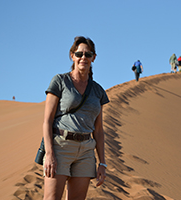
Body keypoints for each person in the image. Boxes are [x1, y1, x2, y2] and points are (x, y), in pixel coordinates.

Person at [43, 36, 109, 200]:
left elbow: (99, 130)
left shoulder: (98, 91)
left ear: (94, 57)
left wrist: (102, 163)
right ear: (72, 55)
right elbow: (47, 121)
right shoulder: (60, 81)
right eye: (79, 54)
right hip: (61, 147)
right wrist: (50, 153)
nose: (83, 58)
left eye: (88, 55)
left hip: (86, 151)